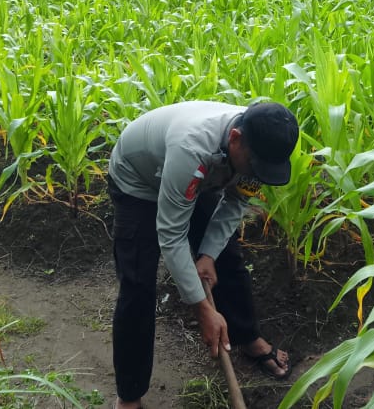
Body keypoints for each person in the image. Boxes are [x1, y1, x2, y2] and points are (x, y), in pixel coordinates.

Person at [107, 100, 300, 409]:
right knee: (138, 284)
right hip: (139, 180)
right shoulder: (193, 148)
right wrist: (202, 309)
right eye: (254, 166)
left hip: (199, 176)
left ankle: (246, 336)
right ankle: (129, 396)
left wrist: (208, 254)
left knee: (226, 257)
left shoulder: (257, 145)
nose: (256, 173)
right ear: (235, 138)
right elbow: (171, 234)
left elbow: (236, 202)